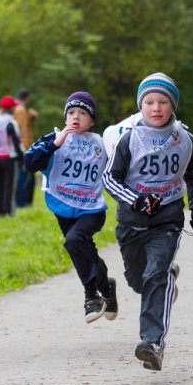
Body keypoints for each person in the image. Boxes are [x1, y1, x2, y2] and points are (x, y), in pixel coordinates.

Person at [103, 72, 193, 371]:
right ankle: (167, 284)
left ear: (172, 105)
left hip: (167, 221)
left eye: (163, 102)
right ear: (141, 105)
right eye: (149, 102)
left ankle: (152, 343)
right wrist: (136, 199)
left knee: (155, 277)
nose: (156, 108)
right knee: (139, 282)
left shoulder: (184, 139)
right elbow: (110, 179)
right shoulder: (130, 137)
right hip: (131, 222)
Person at [24, 92, 117, 323]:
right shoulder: (55, 138)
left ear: (92, 120)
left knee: (74, 241)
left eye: (83, 113)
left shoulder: (101, 143)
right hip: (63, 207)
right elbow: (29, 162)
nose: (76, 116)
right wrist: (55, 144)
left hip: (92, 209)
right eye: (71, 112)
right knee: (84, 250)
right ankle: (107, 289)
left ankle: (91, 297)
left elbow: (120, 165)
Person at [0, 95, 23, 217]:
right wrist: (22, 158)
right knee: (9, 186)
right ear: (11, 108)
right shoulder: (11, 122)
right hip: (9, 157)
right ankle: (7, 211)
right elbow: (16, 142)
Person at [14, 88, 38, 207]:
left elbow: (33, 115)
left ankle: (23, 201)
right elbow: (23, 129)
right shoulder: (21, 110)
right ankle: (23, 202)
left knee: (23, 175)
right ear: (27, 97)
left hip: (17, 146)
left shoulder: (15, 108)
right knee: (25, 175)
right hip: (24, 147)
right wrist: (26, 148)